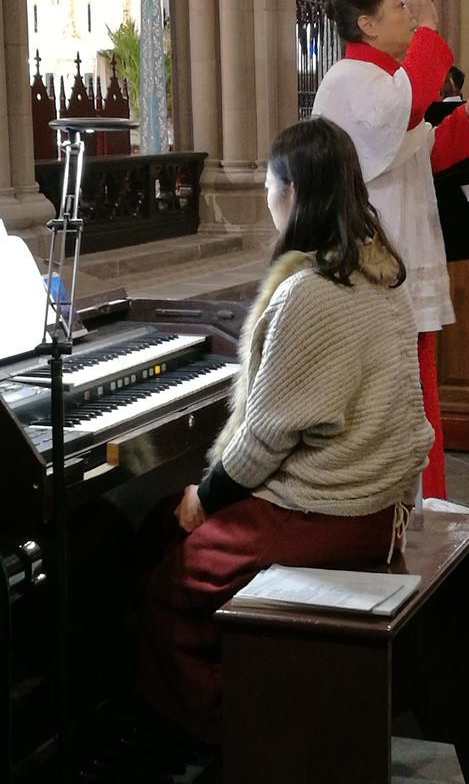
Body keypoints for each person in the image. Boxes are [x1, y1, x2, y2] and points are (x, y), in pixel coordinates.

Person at [138, 116, 434, 744]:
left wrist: (203, 497)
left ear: (293, 191)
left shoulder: (309, 293)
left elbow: (262, 442)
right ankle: (245, 682)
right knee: (162, 524)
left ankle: (236, 737)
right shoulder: (380, 276)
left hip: (325, 511)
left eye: (271, 184)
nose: (268, 195)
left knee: (171, 579)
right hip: (378, 504)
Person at [312, 0, 469, 499]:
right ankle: (404, 512)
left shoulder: (384, 83)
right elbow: (410, 109)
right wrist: (431, 31)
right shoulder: (349, 80)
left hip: (403, 252)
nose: (410, 16)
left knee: (418, 394)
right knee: (395, 397)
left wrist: (468, 117)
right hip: (375, 264)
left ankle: (426, 510)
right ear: (367, 24)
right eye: (399, 7)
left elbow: (422, 150)